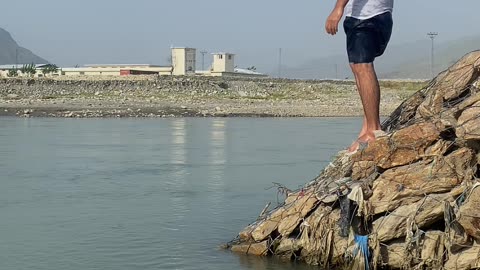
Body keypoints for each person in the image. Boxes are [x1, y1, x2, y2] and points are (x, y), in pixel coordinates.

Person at [325, 0, 394, 152]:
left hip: (366, 16)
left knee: (362, 67)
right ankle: (367, 126)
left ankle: (374, 130)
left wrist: (338, 8)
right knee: (358, 67)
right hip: (378, 14)